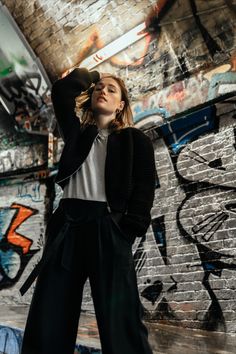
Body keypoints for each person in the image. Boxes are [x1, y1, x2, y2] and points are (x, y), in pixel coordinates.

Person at [20, 67, 156, 354]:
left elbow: (144, 189)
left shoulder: (135, 140)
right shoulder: (78, 132)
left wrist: (127, 230)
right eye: (98, 89)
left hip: (108, 227)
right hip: (67, 225)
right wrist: (95, 75)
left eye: (111, 90)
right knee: (50, 309)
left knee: (120, 316)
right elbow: (61, 91)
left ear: (121, 106)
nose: (102, 91)